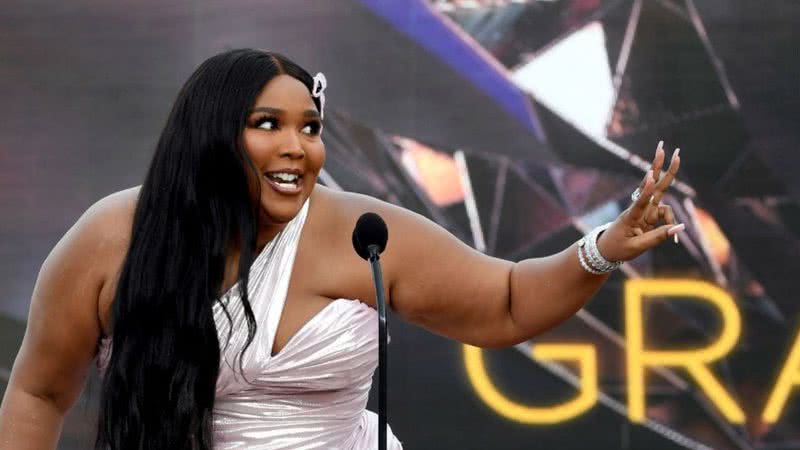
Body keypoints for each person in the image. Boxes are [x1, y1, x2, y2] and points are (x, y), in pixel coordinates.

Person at [0, 48, 683, 450]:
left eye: (311, 126)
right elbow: (37, 391)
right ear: (208, 135)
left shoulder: (362, 231)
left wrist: (602, 247)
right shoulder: (111, 237)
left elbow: (505, 304)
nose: (299, 146)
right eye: (268, 125)